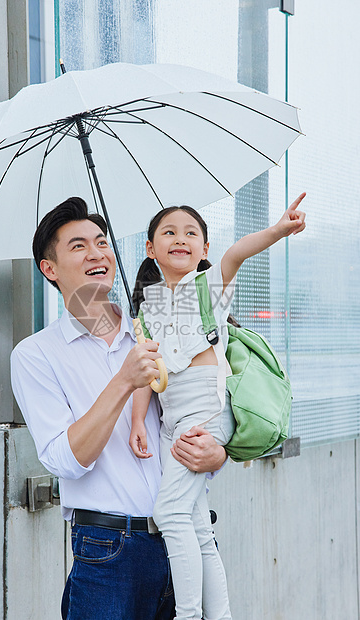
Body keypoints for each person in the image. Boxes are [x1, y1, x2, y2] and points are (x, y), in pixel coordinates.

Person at [10, 196, 228, 620]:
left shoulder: (154, 329)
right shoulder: (35, 355)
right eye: (78, 246)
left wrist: (217, 454)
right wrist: (124, 381)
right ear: (49, 269)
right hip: (110, 553)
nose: (97, 254)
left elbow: (203, 405)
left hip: (184, 539)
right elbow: (65, 459)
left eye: (102, 242)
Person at [129, 194, 306, 620]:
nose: (180, 239)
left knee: (169, 512)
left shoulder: (208, 287)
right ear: (150, 249)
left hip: (206, 409)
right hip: (173, 415)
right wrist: (138, 419)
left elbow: (237, 252)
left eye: (191, 233)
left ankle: (188, 615)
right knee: (195, 527)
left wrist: (278, 230)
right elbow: (145, 371)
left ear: (203, 249)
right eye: (168, 232)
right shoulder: (149, 305)